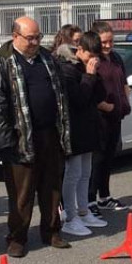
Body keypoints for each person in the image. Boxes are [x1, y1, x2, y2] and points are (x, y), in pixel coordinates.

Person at [0, 16, 72, 257]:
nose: (35, 42)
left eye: (38, 37)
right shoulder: (2, 62)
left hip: (51, 134)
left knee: (52, 187)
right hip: (19, 138)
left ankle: (52, 231)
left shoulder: (47, 59)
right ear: (15, 36)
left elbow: (61, 95)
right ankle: (17, 237)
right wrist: (4, 142)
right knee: (22, 194)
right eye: (30, 38)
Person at [55, 31, 108, 236]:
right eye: (90, 55)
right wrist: (89, 75)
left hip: (89, 128)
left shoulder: (87, 68)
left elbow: (99, 96)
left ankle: (84, 211)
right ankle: (70, 217)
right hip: (73, 130)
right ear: (80, 50)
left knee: (86, 173)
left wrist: (95, 74)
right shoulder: (67, 70)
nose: (94, 60)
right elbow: (78, 100)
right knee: (73, 174)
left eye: (97, 56)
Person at [88, 20, 130, 215]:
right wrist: (105, 106)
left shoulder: (116, 58)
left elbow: (124, 83)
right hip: (99, 118)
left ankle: (104, 197)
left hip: (116, 116)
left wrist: (125, 98)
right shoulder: (93, 59)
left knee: (108, 158)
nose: (108, 45)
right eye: (104, 42)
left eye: (111, 41)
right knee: (96, 160)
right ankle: (89, 200)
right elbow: (90, 89)